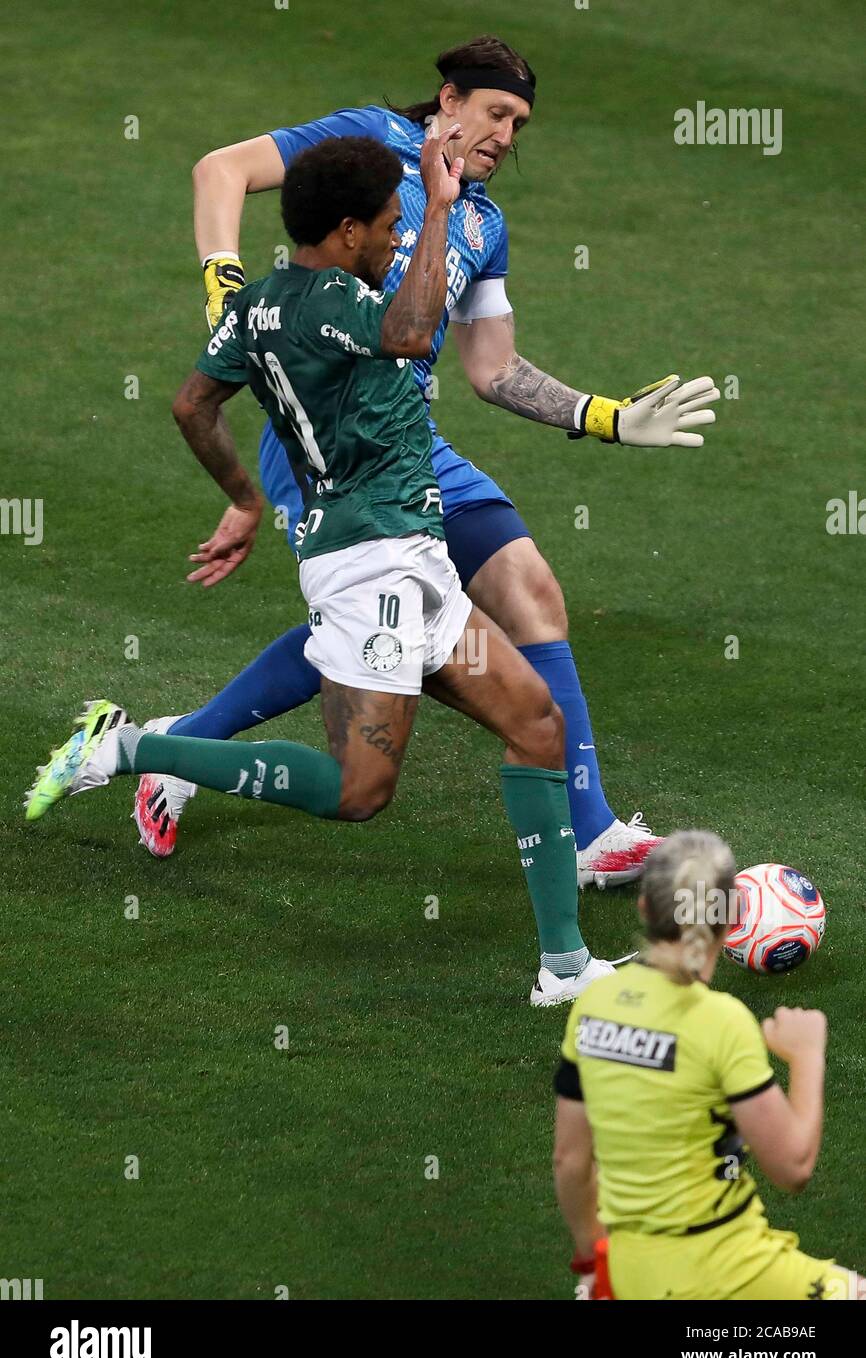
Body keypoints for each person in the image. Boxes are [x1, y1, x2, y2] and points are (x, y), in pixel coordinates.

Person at [27, 128, 618, 1007]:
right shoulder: (337, 300)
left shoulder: (258, 305)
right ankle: (129, 747)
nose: (393, 235)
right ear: (347, 233)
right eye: (387, 224)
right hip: (373, 572)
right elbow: (416, 332)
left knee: (535, 722)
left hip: (405, 560)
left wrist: (243, 495)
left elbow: (194, 404)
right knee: (358, 791)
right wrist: (444, 212)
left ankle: (564, 970)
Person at [132, 34, 719, 885]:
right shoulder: (370, 144)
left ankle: (589, 833)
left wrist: (607, 417)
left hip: (410, 438)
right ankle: (175, 749)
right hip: (323, 444)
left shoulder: (483, 221)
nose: (507, 136)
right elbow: (218, 170)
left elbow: (493, 369)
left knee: (528, 589)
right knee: (371, 618)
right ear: (449, 100)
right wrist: (224, 283)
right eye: (495, 113)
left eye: (519, 123)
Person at [552, 830, 860, 1297]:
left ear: (645, 910)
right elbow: (793, 1166)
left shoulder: (594, 1004)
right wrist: (807, 1055)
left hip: (633, 1270)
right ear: (731, 918)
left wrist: (595, 1263)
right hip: (728, 1267)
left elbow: (571, 1161)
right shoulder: (720, 1022)